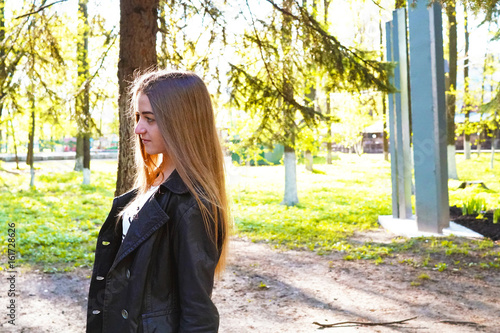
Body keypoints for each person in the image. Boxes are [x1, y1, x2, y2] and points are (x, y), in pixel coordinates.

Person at [86, 70, 230, 333]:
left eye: (150, 119)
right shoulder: (154, 183)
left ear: (182, 123)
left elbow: (198, 313)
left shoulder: (192, 204)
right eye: (139, 117)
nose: (139, 128)